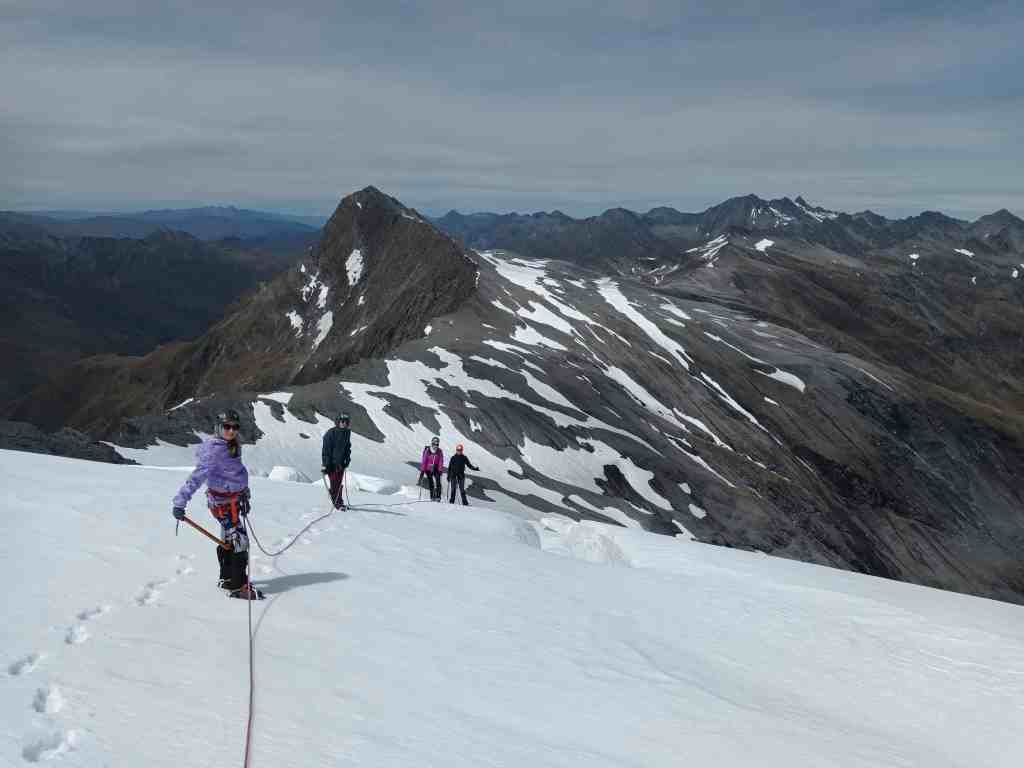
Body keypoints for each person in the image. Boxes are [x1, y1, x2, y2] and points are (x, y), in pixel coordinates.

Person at [172, 409, 263, 600]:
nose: (231, 431)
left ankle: (227, 578)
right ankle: (238, 587)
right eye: (227, 427)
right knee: (240, 542)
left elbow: (236, 471)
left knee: (230, 540)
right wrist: (180, 502)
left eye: (235, 427)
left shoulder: (231, 445)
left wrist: (244, 492)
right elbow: (196, 477)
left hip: (233, 500)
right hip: (223, 504)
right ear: (218, 427)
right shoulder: (214, 450)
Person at [321, 412, 352, 510]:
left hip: (341, 464)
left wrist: (347, 459)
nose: (343, 423)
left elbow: (347, 447)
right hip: (332, 464)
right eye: (341, 421)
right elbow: (326, 450)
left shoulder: (346, 433)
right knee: (334, 484)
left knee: (338, 484)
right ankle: (337, 504)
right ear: (338, 421)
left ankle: (339, 502)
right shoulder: (331, 433)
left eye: (346, 421)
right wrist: (326, 464)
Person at [420, 436, 444, 501]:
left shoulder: (439, 451)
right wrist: (422, 470)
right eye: (434, 444)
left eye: (437, 444)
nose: (435, 446)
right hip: (428, 468)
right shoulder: (428, 450)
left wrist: (440, 470)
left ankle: (438, 497)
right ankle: (432, 497)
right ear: (432, 443)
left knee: (438, 482)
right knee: (431, 482)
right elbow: (424, 461)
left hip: (436, 468)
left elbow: (441, 461)